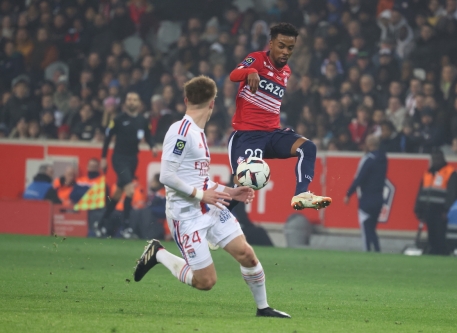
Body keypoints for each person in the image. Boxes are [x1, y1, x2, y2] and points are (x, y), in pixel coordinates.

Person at [133, 76, 290, 318]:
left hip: (210, 207)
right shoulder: (181, 131)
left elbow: (201, 181)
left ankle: (263, 308)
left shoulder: (198, 132)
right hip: (186, 216)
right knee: (205, 281)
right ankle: (159, 254)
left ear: (186, 100)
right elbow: (166, 175)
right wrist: (201, 195)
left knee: (246, 254)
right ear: (213, 103)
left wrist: (230, 191)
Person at [227, 22, 331, 211]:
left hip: (273, 134)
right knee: (241, 189)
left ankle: (301, 194)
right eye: (281, 46)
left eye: (290, 48)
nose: (285, 52)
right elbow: (234, 75)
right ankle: (205, 227)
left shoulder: (286, 72)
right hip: (248, 136)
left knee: (308, 147)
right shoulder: (256, 59)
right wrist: (250, 71)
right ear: (272, 44)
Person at [94, 92, 157, 238]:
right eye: (129, 99)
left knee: (117, 193)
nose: (132, 102)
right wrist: (103, 158)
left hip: (133, 159)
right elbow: (107, 139)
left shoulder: (142, 120)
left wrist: (152, 146)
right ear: (125, 102)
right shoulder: (118, 119)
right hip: (119, 158)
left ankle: (101, 222)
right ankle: (127, 227)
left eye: (134, 99)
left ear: (139, 103)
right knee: (130, 189)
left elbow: (148, 136)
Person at [344, 135, 388, 252]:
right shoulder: (383, 159)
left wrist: (348, 193)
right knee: (372, 228)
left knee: (366, 229)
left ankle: (368, 252)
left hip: (367, 198)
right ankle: (377, 250)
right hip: (379, 198)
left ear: (369, 145)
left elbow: (359, 178)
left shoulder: (368, 160)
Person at [414, 150, 457, 255]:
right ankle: (434, 252)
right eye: (434, 159)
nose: (435, 161)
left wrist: (447, 210)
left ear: (443, 159)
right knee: (432, 235)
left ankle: (441, 253)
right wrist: (418, 209)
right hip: (429, 209)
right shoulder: (427, 173)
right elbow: (421, 192)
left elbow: (452, 194)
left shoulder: (450, 173)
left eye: (438, 159)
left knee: (440, 235)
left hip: (441, 211)